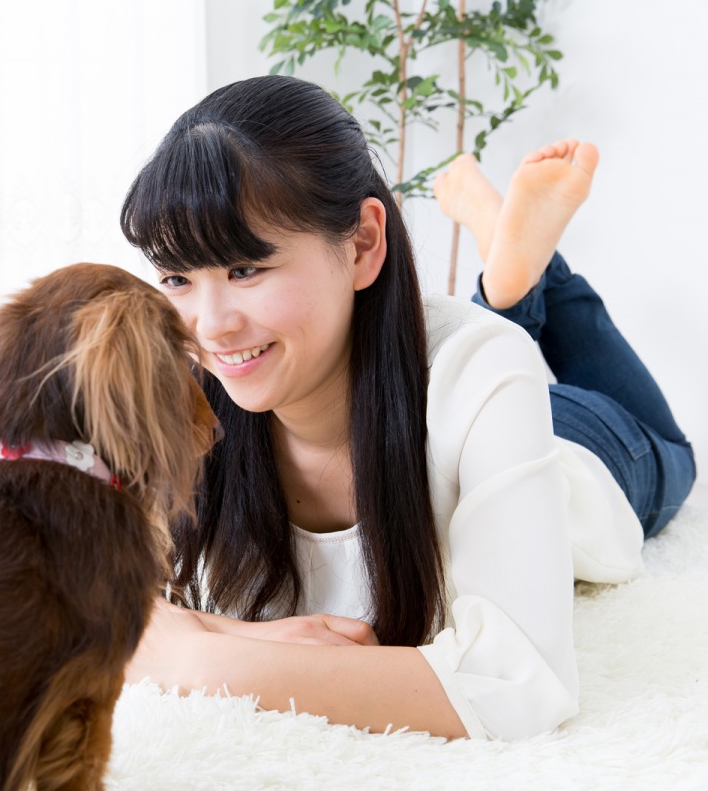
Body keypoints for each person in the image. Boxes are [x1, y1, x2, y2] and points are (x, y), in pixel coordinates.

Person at [117, 75, 696, 740]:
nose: (210, 326)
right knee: (475, 350)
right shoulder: (184, 398)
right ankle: (508, 281)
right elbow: (74, 598)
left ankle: (525, 283)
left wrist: (196, 654)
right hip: (436, 388)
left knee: (670, 449)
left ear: (363, 244)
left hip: (579, 447)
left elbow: (519, 687)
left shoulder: (482, 374)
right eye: (177, 278)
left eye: (246, 269)